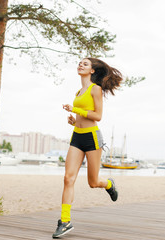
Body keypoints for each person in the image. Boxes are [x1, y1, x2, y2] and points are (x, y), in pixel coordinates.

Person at [52, 58, 122, 238]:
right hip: (77, 136)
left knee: (93, 182)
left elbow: (98, 116)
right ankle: (65, 221)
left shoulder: (95, 89)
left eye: (85, 64)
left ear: (92, 71)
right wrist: (74, 121)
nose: (80, 65)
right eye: (80, 63)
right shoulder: (78, 92)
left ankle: (108, 184)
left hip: (92, 138)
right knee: (68, 178)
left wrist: (78, 111)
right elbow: (83, 117)